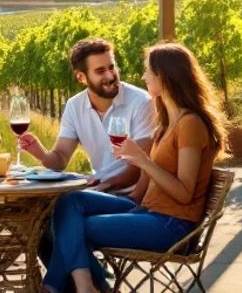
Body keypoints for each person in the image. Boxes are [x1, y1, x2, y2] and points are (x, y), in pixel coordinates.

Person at [39, 42, 226, 293]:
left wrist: (141, 161)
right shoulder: (168, 120)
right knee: (69, 203)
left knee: (73, 228)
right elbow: (147, 189)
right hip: (149, 212)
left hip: (171, 225)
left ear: (165, 77)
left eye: (148, 71)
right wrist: (122, 191)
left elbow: (184, 194)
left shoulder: (190, 124)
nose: (142, 77)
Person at [18, 38, 154, 195]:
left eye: (112, 67)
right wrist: (41, 153)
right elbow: (60, 159)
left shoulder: (141, 102)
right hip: (98, 188)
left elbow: (139, 167)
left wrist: (100, 187)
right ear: (81, 77)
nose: (110, 76)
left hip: (129, 194)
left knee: (69, 201)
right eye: (100, 71)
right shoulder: (75, 106)